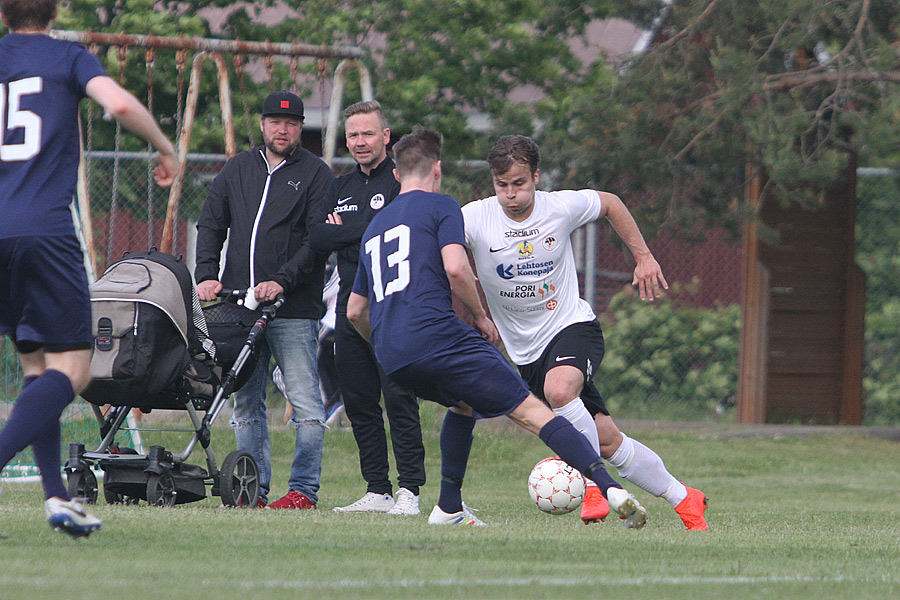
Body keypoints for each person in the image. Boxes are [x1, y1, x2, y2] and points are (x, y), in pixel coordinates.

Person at [347, 127, 647, 528]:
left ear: (397, 174)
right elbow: (456, 267)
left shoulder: (374, 226)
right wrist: (481, 317)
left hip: (392, 354)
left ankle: (449, 508)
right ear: (437, 169)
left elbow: (354, 311)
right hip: (439, 339)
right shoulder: (442, 207)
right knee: (532, 411)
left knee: (463, 403)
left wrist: (384, 342)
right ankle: (611, 489)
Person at [461, 134, 708, 530]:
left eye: (519, 183)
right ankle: (685, 499)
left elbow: (610, 202)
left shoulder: (559, 207)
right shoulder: (474, 217)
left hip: (573, 327)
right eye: (501, 185)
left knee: (560, 392)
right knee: (607, 439)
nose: (510, 194)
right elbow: (446, 252)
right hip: (527, 354)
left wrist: (643, 256)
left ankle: (594, 487)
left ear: (536, 177)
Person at [0, 0, 177, 537]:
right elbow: (119, 105)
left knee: (38, 371)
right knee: (74, 371)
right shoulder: (67, 58)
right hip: (44, 230)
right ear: (53, 11)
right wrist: (165, 146)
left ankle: (57, 498)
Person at [194, 90, 332, 510]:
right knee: (245, 403)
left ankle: (303, 491)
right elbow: (211, 223)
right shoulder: (238, 168)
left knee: (306, 401)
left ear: (300, 128)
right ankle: (252, 489)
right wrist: (205, 275)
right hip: (239, 311)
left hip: (293, 310)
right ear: (262, 125)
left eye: (291, 123)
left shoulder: (316, 173)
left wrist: (282, 281)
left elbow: (316, 242)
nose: (282, 129)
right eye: (275, 121)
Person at [308, 101, 426, 516]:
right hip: (349, 307)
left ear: (386, 137)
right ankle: (378, 488)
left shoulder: (399, 182)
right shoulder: (338, 187)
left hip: (394, 306)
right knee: (358, 399)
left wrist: (346, 233)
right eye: (353, 135)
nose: (360, 142)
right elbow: (317, 237)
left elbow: (403, 229)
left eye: (368, 134)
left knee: (398, 397)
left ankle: (410, 490)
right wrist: (349, 234)